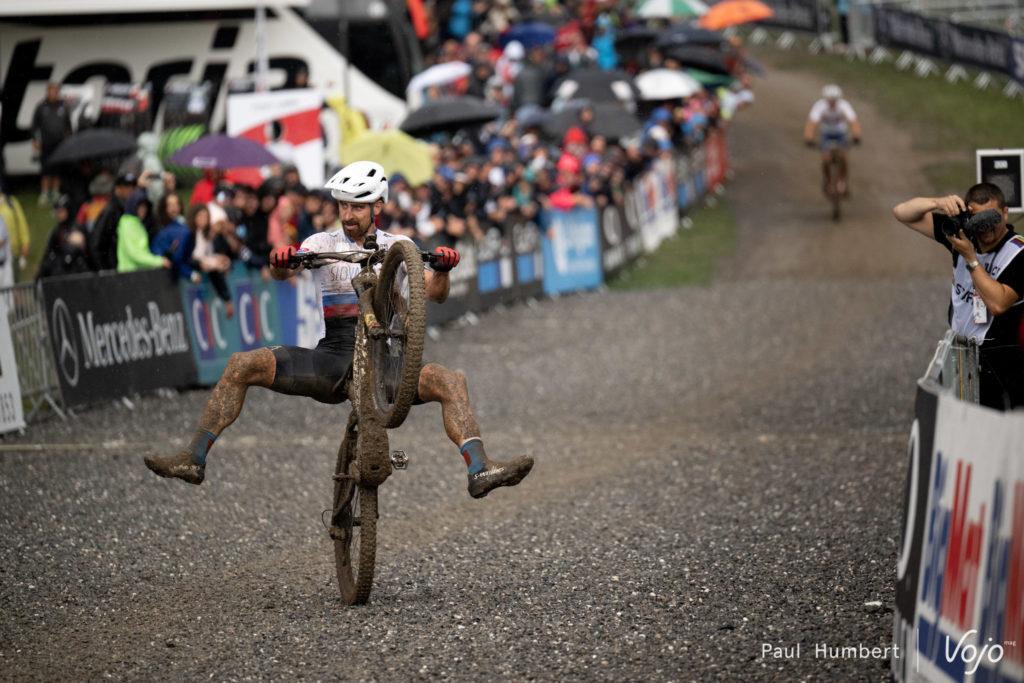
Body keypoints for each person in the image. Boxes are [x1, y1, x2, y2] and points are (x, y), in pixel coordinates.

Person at [143, 160, 534, 498]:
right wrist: (281, 260)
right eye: (343, 205)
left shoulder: (400, 246)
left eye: (358, 207)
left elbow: (436, 294)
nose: (348, 214)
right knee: (241, 364)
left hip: (387, 365)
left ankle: (479, 469)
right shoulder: (320, 242)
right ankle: (193, 459)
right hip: (333, 357)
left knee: (452, 381)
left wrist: (444, 270)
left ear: (378, 206)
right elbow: (283, 272)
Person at [893, 182, 1024, 410]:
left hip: (1001, 363)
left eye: (992, 220)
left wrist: (971, 258)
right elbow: (902, 212)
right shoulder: (961, 235)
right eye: (979, 223)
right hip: (960, 355)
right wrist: (937, 203)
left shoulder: (1018, 253)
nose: (986, 230)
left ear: (1005, 213)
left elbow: (998, 304)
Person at [803, 84, 861, 196]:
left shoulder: (844, 105)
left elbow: (853, 121)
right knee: (825, 157)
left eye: (834, 100)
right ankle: (827, 180)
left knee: (844, 155)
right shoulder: (820, 106)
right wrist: (808, 137)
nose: (832, 102)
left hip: (841, 133)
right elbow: (812, 123)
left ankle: (842, 181)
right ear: (826, 99)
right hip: (827, 134)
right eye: (830, 100)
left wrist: (856, 135)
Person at [31, 83, 72, 206]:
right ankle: (45, 193)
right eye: (51, 91)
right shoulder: (41, 107)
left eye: (55, 91)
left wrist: (69, 138)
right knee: (46, 169)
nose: (53, 93)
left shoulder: (63, 106)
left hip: (60, 144)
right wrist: (36, 140)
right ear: (47, 92)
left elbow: (68, 126)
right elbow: (34, 125)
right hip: (46, 144)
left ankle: (55, 192)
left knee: (57, 169)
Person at [37, 195, 90, 279]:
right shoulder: (57, 231)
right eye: (57, 212)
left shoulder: (77, 228)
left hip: (77, 275)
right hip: (62, 274)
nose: (59, 215)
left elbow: (85, 252)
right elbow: (49, 253)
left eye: (61, 211)